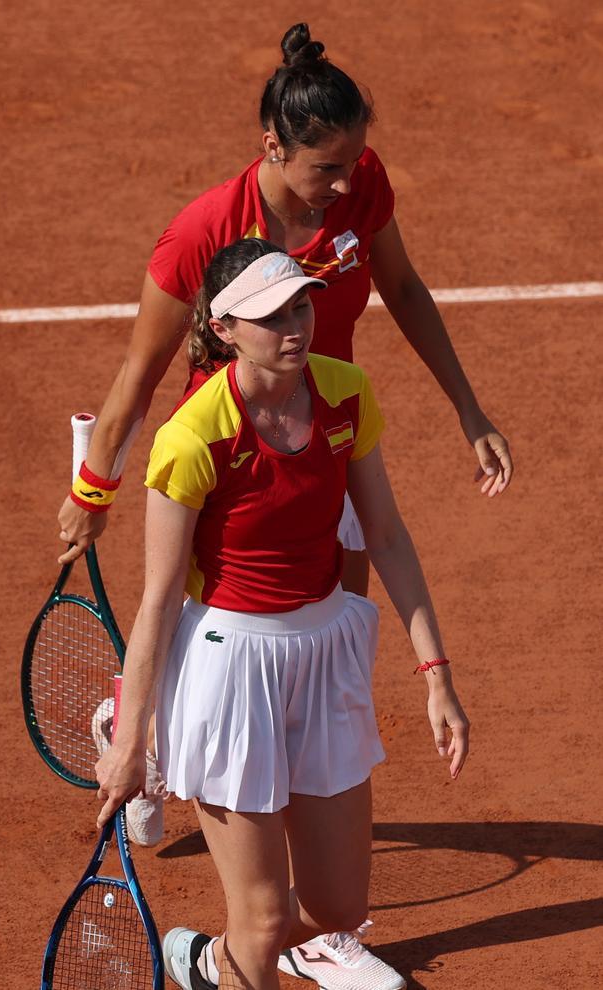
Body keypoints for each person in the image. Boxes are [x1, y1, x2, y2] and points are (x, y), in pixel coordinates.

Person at [72, 19, 502, 986]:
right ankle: (134, 725)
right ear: (274, 150)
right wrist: (93, 486)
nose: (348, 184)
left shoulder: (357, 205)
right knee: (203, 611)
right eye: (328, 169)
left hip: (329, 433)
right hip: (228, 465)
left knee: (327, 600)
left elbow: (401, 284)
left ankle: (315, 928)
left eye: (356, 163)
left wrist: (469, 407)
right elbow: (141, 375)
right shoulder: (201, 234)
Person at [95, 239, 470, 990]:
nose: (294, 324)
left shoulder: (347, 393)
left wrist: (437, 676)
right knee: (264, 921)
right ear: (226, 328)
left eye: (300, 303)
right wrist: (133, 738)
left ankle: (209, 963)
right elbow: (160, 599)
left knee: (337, 907)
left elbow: (388, 538)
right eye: (270, 314)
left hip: (325, 652)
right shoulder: (193, 436)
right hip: (230, 667)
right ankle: (240, 952)